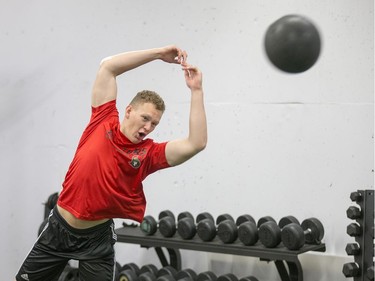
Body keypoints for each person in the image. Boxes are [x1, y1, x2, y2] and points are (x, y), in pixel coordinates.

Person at [15, 45, 207, 281]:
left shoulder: (148, 154)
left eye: (154, 124)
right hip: (58, 229)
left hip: (96, 240)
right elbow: (108, 66)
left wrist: (196, 90)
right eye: (145, 118)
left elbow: (196, 143)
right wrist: (158, 54)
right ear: (128, 111)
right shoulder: (103, 120)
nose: (148, 127)